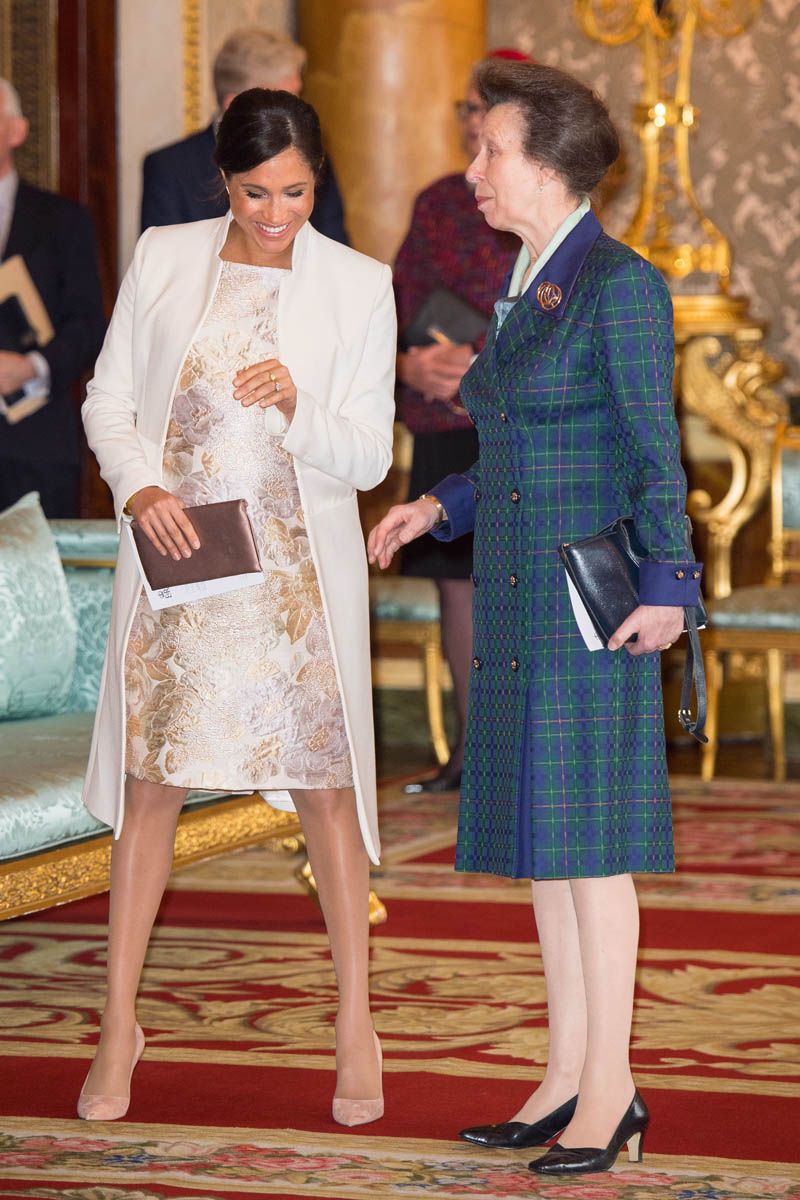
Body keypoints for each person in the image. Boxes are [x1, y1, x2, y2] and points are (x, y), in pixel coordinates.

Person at [368, 60, 702, 1175]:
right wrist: (435, 505)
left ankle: (612, 1092)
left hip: (588, 607)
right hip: (517, 596)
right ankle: (564, 1078)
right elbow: (517, 447)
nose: (473, 169)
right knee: (548, 854)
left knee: (592, 856)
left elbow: (654, 451)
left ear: (550, 164)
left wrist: (670, 587)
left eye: (490, 150)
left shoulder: (619, 284)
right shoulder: (528, 278)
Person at [79, 88, 395, 1128]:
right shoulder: (165, 255)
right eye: (255, 192)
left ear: (318, 183)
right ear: (222, 180)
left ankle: (355, 1020)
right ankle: (117, 1022)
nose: (275, 213)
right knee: (152, 791)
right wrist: (141, 490)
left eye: (294, 192)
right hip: (184, 571)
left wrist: (299, 405)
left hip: (297, 587)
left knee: (327, 796)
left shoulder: (359, 284)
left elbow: (368, 456)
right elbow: (108, 400)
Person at [393, 56, 519, 794]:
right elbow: (395, 302)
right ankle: (473, 756)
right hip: (443, 418)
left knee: (517, 587)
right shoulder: (439, 200)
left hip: (510, 418)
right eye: (466, 108)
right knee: (457, 590)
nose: (473, 121)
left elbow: (545, 313)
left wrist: (480, 366)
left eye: (485, 108)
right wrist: (408, 365)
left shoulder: (539, 199)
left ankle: (521, 757)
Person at [0, 78, 105, 517]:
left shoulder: (64, 220)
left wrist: (31, 368)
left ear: (17, 131)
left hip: (36, 447)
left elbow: (89, 325)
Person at [141, 28, 348, 245]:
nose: (294, 112)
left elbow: (335, 250)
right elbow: (165, 258)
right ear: (232, 105)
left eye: (296, 96)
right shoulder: (169, 168)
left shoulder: (310, 154)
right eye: (279, 102)